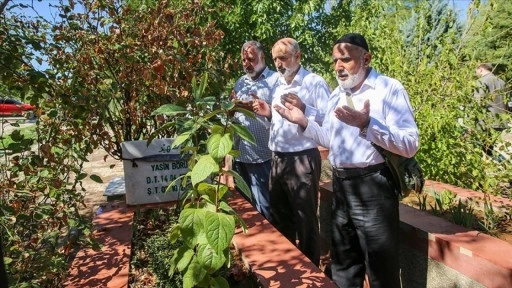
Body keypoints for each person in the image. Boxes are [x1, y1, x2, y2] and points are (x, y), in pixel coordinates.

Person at [272, 33, 419, 287]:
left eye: (345, 60)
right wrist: (303, 121)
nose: (338, 67)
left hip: (374, 188)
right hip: (341, 189)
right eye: (335, 61)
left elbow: (410, 144)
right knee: (343, 268)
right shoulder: (337, 95)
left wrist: (367, 124)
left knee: (382, 271)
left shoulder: (388, 88)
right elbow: (329, 139)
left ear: (366, 58)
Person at [253, 37, 330, 266]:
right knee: (280, 219)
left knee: (305, 222)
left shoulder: (314, 83)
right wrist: (268, 114)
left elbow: (329, 121)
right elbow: (280, 124)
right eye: (275, 58)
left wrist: (305, 108)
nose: (278, 63)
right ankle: (288, 271)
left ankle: (310, 274)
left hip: (301, 159)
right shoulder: (278, 83)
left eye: (283, 58)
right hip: (277, 159)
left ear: (298, 56)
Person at [230, 40, 278, 221]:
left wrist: (258, 108)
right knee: (245, 207)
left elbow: (281, 116)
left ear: (262, 57)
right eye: (243, 60)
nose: (246, 64)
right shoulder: (240, 82)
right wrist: (231, 108)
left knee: (265, 208)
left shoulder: (274, 81)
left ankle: (273, 246)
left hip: (264, 155)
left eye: (250, 59)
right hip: (241, 154)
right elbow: (233, 115)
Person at [474, 63, 508, 159]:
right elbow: (506, 103)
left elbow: (478, 102)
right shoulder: (502, 82)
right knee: (489, 146)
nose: (476, 73)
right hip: (500, 120)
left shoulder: (481, 81)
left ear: (481, 69)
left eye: (476, 71)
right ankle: (493, 165)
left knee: (479, 145)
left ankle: (488, 166)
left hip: (485, 121)